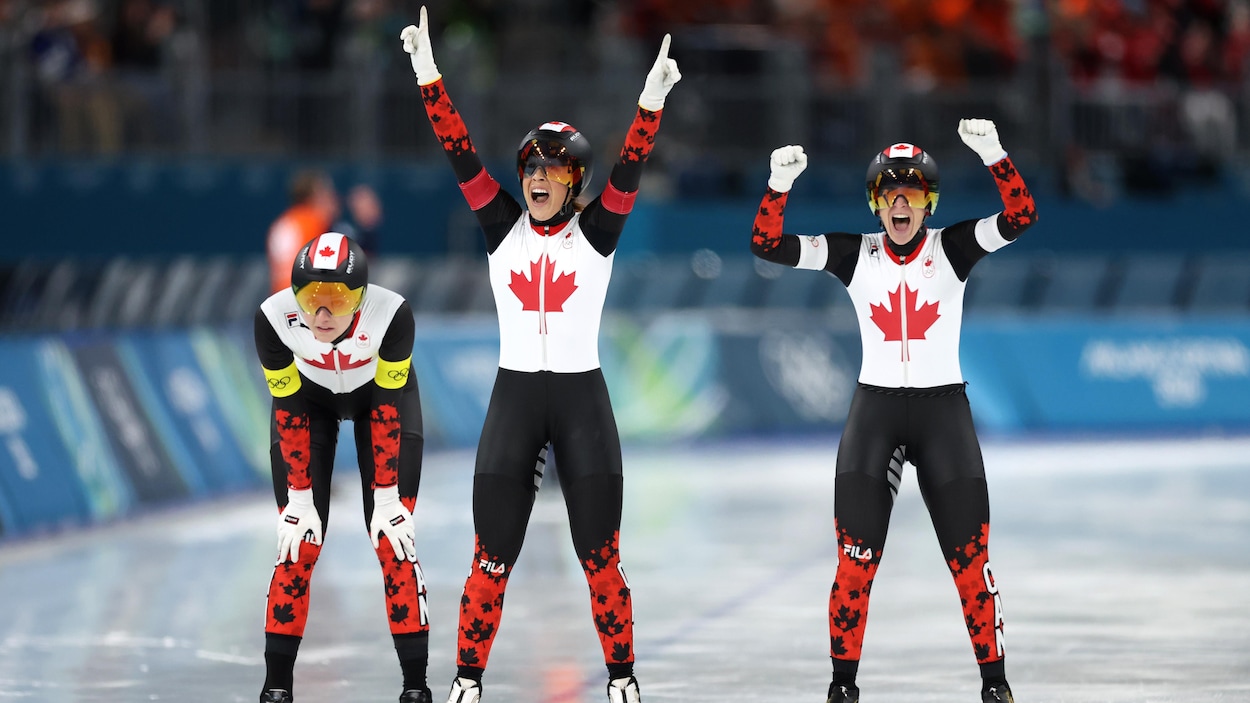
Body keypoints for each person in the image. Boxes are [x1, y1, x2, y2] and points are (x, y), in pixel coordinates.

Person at [399, 7, 680, 703]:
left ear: (574, 182)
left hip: (582, 401)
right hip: (517, 399)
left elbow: (630, 167)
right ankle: (467, 679)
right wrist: (430, 76)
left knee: (601, 561)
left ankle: (622, 678)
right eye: (530, 168)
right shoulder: (501, 226)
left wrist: (650, 105)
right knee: (490, 560)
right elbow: (460, 151)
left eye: (553, 170)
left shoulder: (598, 233)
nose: (537, 179)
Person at [749, 120, 1037, 703]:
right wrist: (777, 187)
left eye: (912, 192)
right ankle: (842, 687)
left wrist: (995, 155)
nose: (900, 203)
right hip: (874, 417)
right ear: (875, 203)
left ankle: (996, 685)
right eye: (889, 192)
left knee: (971, 565)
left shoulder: (953, 247)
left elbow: (1022, 215)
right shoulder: (855, 253)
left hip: (942, 415)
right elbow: (767, 245)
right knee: (854, 565)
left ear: (930, 203)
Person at [254, 232, 432, 703]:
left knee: (394, 542)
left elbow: (388, 409)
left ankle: (416, 688)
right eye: (311, 299)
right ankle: (276, 689)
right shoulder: (272, 318)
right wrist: (298, 499)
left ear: (363, 297)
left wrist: (387, 498)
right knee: (297, 545)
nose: (322, 314)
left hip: (381, 401)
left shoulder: (392, 314)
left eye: (338, 299)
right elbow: (288, 408)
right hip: (307, 405)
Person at [267, 170, 340, 294]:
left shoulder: (282, 222)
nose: (334, 199)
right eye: (327, 193)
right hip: (307, 297)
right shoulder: (315, 222)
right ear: (316, 197)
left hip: (281, 296)